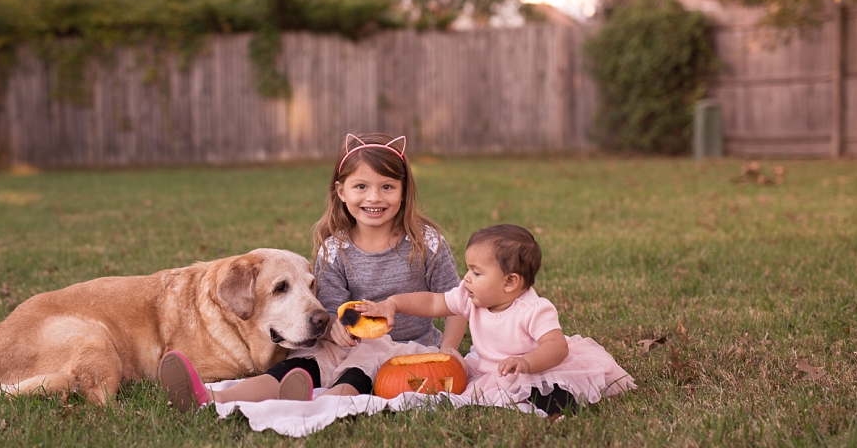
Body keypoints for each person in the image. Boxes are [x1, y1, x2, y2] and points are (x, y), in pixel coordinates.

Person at [159, 132, 466, 411]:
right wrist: (333, 327)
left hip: (407, 348)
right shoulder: (336, 249)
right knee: (305, 360)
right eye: (361, 187)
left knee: (365, 362)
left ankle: (324, 406)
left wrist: (450, 347)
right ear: (342, 191)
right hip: (348, 339)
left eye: (387, 187)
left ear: (403, 191)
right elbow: (329, 305)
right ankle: (214, 398)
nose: (374, 197)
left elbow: (456, 303)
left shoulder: (426, 243)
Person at [357, 224, 635, 414]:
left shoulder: (533, 309)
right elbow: (433, 301)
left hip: (535, 368)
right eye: (468, 269)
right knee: (475, 396)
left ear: (510, 282)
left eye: (476, 273)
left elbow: (557, 346)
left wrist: (526, 363)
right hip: (490, 370)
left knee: (547, 391)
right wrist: (393, 303)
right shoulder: (471, 297)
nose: (466, 278)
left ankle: (559, 405)